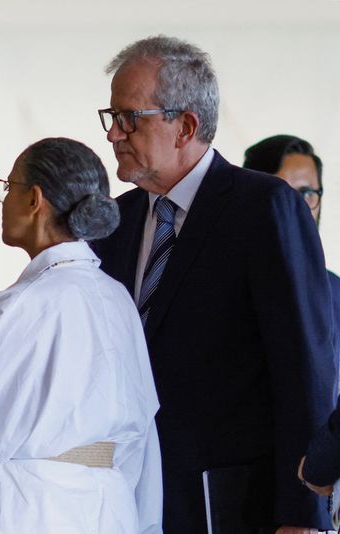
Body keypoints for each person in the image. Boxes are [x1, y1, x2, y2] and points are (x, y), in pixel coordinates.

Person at [90, 36, 335, 533]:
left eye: (129, 118)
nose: (114, 134)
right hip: (123, 500)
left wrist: (302, 512)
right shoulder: (113, 220)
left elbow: (304, 368)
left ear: (185, 126)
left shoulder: (263, 207)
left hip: (231, 503)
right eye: (110, 117)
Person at [0, 137, 163, 534]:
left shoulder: (23, 304)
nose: (3, 201)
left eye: (8, 187)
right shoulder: (117, 298)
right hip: (113, 510)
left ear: (34, 199)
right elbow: (141, 438)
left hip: (29, 512)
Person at [243, 135, 340, 377]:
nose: (299, 206)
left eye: (308, 193)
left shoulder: (334, 291)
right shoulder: (220, 283)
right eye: (283, 192)